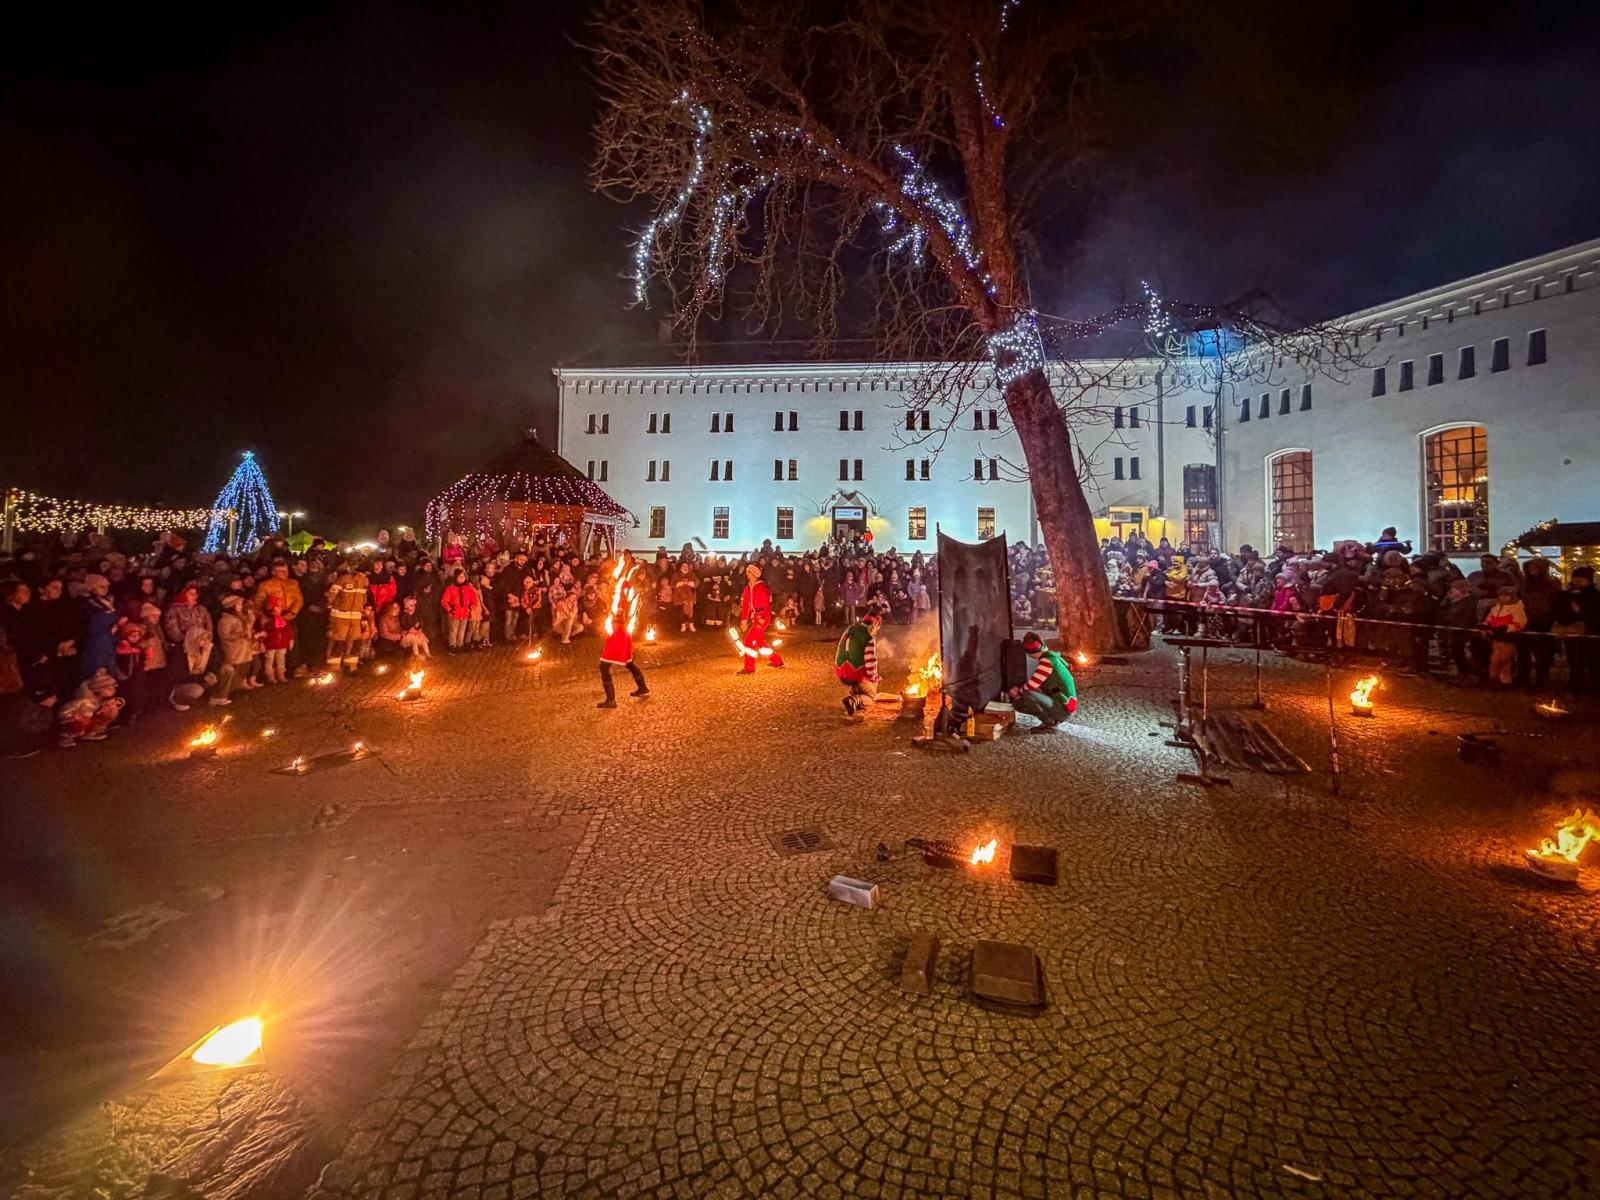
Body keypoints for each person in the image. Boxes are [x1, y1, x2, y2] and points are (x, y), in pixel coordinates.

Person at [597, 552, 649, 709]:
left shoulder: (621, 593)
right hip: (623, 632)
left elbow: (620, 612)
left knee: (604, 666)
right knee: (629, 662)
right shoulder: (625, 590)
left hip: (618, 632)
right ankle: (643, 687)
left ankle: (611, 700)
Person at [1008, 631, 1078, 731]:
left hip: (1062, 708)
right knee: (1032, 693)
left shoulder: (1046, 662)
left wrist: (1017, 693)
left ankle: (1050, 723)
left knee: (1023, 699)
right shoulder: (1054, 657)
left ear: (1030, 652)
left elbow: (1031, 686)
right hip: (1066, 704)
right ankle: (1052, 720)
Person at [834, 604, 883, 716]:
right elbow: (870, 665)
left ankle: (855, 693)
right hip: (856, 674)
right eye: (877, 627)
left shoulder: (850, 628)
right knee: (872, 698)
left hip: (841, 671)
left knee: (861, 682)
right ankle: (855, 700)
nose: (877, 631)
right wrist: (874, 678)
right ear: (875, 623)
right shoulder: (868, 637)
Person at [738, 562, 784, 674]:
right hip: (755, 618)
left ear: (753, 573)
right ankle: (777, 661)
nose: (746, 573)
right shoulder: (748, 588)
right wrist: (744, 620)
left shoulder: (762, 587)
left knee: (749, 640)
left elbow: (766, 604)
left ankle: (749, 668)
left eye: (749, 571)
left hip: (762, 618)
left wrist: (762, 617)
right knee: (759, 640)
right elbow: (746, 606)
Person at [326, 561, 369, 672]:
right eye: (363, 574)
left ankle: (351, 666)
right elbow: (331, 595)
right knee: (338, 642)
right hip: (340, 616)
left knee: (354, 642)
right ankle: (334, 667)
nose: (364, 577)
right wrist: (329, 605)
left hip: (355, 617)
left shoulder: (364, 581)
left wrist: (363, 614)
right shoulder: (343, 579)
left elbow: (364, 599)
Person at [441, 568, 477, 653]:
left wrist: (470, 607)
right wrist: (449, 609)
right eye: (460, 577)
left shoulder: (468, 588)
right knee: (454, 630)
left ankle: (460, 644)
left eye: (463, 577)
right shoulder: (450, 588)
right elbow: (444, 601)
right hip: (454, 613)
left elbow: (474, 599)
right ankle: (452, 645)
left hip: (464, 613)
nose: (462, 578)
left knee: (462, 630)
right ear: (456, 577)